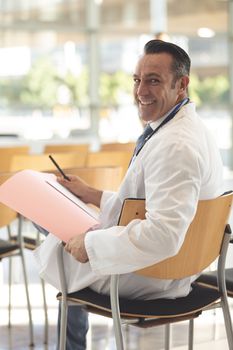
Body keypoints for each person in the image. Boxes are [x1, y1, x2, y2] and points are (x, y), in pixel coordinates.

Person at [34, 39, 223, 349]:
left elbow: (163, 234)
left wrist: (91, 244)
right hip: (173, 265)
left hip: (156, 274)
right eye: (137, 80)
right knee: (59, 230)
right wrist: (91, 194)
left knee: (54, 237)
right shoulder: (182, 127)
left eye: (153, 80)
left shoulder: (176, 146)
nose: (140, 92)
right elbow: (144, 204)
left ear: (182, 85)